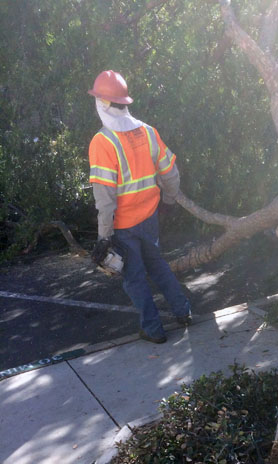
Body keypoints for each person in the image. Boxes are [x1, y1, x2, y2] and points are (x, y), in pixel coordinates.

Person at [87, 70, 191, 344]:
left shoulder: (102, 142)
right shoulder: (148, 132)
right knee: (158, 265)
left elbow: (105, 199)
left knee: (134, 279)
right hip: (150, 218)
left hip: (123, 227)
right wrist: (168, 201)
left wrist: (104, 236)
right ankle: (183, 311)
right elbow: (171, 174)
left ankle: (153, 330)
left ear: (103, 103)